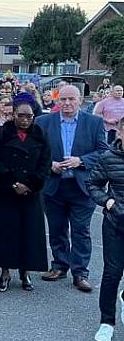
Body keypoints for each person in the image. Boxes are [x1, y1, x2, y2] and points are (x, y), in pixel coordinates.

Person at [0, 94, 50, 292]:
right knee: (4, 234)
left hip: (30, 193)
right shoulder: (0, 132)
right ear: (13, 114)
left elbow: (45, 163)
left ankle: (26, 272)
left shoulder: (40, 134)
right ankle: (5, 273)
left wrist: (30, 185)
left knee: (27, 233)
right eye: (20, 116)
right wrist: (12, 183)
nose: (24, 120)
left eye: (29, 116)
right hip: (4, 191)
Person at [38, 85, 109, 292]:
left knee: (81, 231)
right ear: (57, 101)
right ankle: (59, 265)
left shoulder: (94, 122)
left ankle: (80, 272)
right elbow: (37, 151)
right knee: (57, 229)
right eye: (63, 99)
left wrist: (81, 161)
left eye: (71, 99)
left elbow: (102, 151)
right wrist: (50, 163)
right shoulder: (44, 122)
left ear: (80, 101)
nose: (67, 104)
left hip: (81, 186)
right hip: (54, 185)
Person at [88, 120, 124, 341]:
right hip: (116, 223)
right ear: (120, 132)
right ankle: (106, 322)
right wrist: (109, 202)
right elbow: (92, 184)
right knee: (113, 272)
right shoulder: (109, 157)